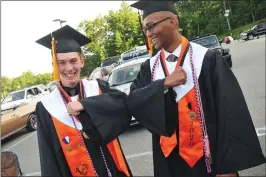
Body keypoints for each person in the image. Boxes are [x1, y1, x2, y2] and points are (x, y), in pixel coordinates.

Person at [129, 1, 266, 177]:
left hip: (209, 159)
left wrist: (228, 167)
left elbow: (229, 112)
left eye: (151, 26)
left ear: (173, 22)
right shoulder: (150, 68)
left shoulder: (207, 59)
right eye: (145, 29)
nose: (148, 33)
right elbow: (134, 101)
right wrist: (163, 84)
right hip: (169, 163)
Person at [35, 25, 132, 177]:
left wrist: (86, 105)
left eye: (73, 61)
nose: (69, 68)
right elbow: (48, 159)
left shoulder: (98, 88)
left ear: (82, 62)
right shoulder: (46, 107)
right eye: (62, 62)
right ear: (55, 65)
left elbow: (123, 105)